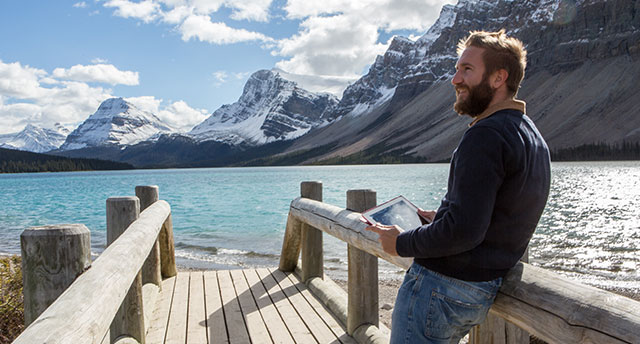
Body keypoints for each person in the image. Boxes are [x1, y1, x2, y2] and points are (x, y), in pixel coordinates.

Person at [366, 29, 551, 343]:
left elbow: (465, 231)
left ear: (498, 78)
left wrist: (401, 243)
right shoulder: (531, 135)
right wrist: (443, 216)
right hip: (481, 288)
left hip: (441, 287)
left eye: (467, 69)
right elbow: (500, 212)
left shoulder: (485, 135)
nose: (455, 79)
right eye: (457, 69)